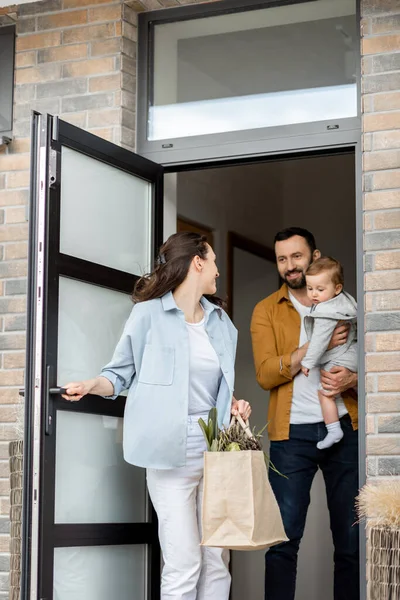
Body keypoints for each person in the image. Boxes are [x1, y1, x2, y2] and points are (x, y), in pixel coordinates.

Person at [62, 231, 251, 600]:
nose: (217, 271)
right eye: (213, 262)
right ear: (198, 261)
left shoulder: (222, 324)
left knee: (216, 560)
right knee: (183, 563)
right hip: (167, 455)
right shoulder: (147, 316)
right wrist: (92, 384)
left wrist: (235, 405)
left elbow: (217, 387)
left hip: (216, 451)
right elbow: (119, 375)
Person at [250, 227, 359, 600]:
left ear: (314, 257)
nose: (289, 265)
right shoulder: (266, 310)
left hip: (345, 426)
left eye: (296, 256)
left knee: (351, 540)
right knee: (282, 541)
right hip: (290, 436)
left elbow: (375, 358)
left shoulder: (346, 303)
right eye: (282, 259)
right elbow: (265, 374)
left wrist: (352, 376)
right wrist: (316, 345)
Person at [301, 256, 358, 450]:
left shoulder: (326, 312)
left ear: (337, 288)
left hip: (344, 355)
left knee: (325, 393)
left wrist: (307, 362)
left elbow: (319, 342)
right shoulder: (344, 301)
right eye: (310, 288)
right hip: (354, 352)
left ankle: (333, 430)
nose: (313, 294)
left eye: (319, 289)